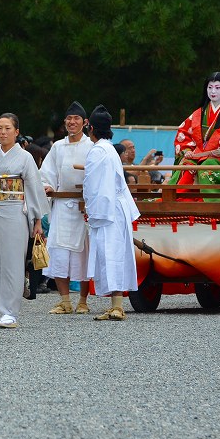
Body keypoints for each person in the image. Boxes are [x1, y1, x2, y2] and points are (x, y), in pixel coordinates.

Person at [0, 113, 50, 328]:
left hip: (16, 212)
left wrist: (37, 220)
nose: (2, 132)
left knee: (14, 260)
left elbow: (33, 188)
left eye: (7, 128)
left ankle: (11, 311)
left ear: (16, 131)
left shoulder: (25, 158)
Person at [83, 105, 140, 321]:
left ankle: (117, 307)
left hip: (107, 209)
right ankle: (116, 305)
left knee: (111, 254)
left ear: (92, 129)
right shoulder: (108, 149)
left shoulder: (99, 151)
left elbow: (94, 185)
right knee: (113, 254)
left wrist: (93, 211)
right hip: (114, 206)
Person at [40, 101, 93, 314]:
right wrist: (47, 186)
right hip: (62, 204)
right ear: (65, 123)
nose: (72, 122)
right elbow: (47, 172)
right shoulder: (58, 147)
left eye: (76, 119)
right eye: (69, 119)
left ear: (85, 122)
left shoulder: (91, 146)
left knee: (84, 252)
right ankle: (64, 300)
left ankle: (82, 300)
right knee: (60, 251)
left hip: (83, 205)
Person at [168, 72, 220, 199]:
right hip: (197, 155)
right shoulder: (198, 113)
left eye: (217, 88)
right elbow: (183, 134)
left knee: (208, 165)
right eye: (210, 87)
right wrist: (187, 151)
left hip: (219, 158)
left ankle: (214, 200)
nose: (213, 91)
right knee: (187, 164)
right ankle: (176, 198)